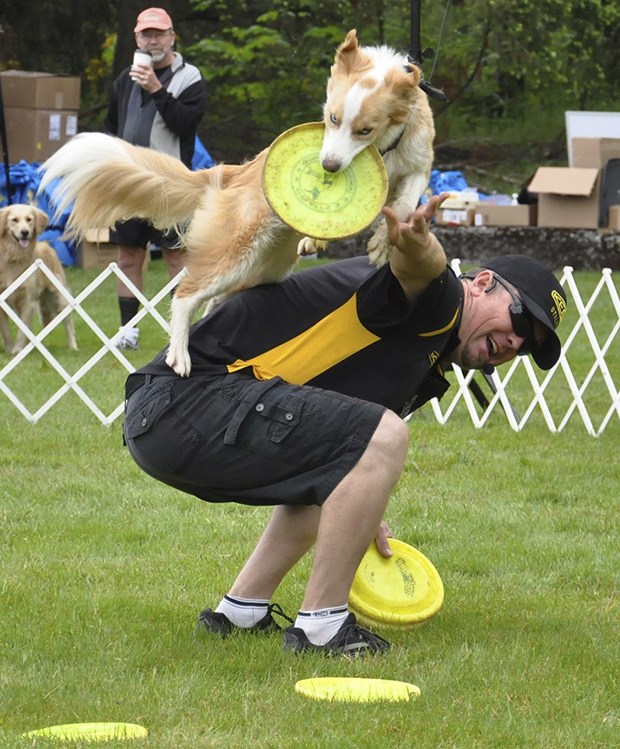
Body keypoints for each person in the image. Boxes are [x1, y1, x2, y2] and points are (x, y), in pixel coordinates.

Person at [123, 194, 568, 657]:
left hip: (172, 417)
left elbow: (347, 453)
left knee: (341, 466)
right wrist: (417, 242)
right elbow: (420, 268)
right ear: (483, 283)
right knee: (385, 435)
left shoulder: (428, 358)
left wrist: (363, 506)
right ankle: (322, 626)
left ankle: (240, 611)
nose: (514, 341)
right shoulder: (441, 301)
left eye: (527, 347)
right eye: (520, 318)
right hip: (185, 403)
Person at [103, 7, 207, 350]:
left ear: (172, 37)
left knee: (176, 257)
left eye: (159, 34)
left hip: (171, 186)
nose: (153, 40)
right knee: (128, 257)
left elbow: (185, 123)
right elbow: (112, 127)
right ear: (136, 39)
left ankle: (181, 329)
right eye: (146, 34)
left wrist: (157, 88)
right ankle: (128, 330)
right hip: (130, 186)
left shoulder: (189, 77)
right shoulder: (124, 80)